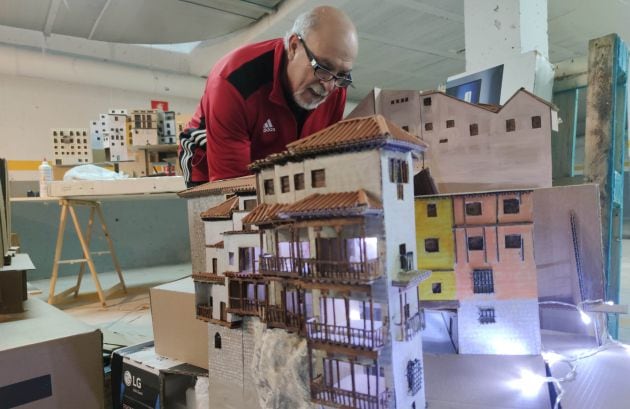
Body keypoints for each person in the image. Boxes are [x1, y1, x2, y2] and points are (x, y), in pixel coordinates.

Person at [179, 6, 358, 186]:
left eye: (341, 74)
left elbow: (321, 165)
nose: (328, 86)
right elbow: (231, 188)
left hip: (276, 158)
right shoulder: (234, 81)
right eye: (323, 67)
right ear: (294, 47)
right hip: (209, 160)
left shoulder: (336, 86)